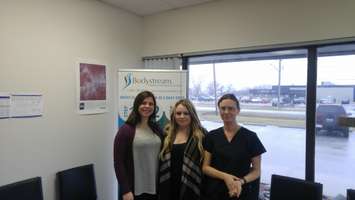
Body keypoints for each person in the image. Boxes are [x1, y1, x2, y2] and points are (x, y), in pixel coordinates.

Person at [202, 94, 266, 200]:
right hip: (215, 192)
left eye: (231, 108)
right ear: (219, 110)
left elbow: (256, 171)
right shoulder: (211, 136)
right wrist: (226, 177)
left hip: (240, 190)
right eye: (223, 108)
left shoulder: (250, 137)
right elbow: (205, 167)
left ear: (238, 111)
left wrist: (240, 181)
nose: (226, 112)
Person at [114, 91, 162, 200]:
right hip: (134, 191)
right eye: (143, 103)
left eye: (151, 104)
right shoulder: (125, 130)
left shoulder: (156, 128)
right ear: (137, 105)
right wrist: (125, 190)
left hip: (155, 187)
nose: (147, 106)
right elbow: (118, 162)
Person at [158, 99, 205, 200]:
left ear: (192, 115)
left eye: (186, 113)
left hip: (191, 184)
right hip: (169, 184)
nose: (182, 116)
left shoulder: (202, 136)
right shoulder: (167, 134)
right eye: (178, 113)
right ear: (173, 116)